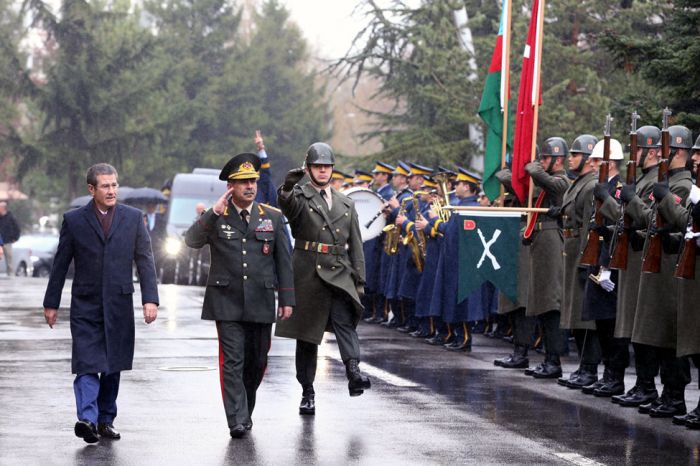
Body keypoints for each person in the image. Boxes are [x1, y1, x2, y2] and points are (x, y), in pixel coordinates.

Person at [42, 163, 159, 444]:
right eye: (105, 186)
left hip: (119, 303)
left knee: (112, 365)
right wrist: (51, 303)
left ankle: (106, 420)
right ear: (91, 189)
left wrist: (150, 299)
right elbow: (60, 264)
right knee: (86, 363)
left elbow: (145, 260)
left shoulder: (133, 218)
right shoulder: (74, 220)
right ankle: (87, 419)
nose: (111, 190)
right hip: (85, 304)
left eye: (114, 185)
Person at [185, 152, 294, 438]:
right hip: (227, 301)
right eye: (243, 182)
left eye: (253, 181)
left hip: (261, 301)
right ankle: (236, 418)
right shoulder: (217, 217)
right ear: (230, 186)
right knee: (232, 361)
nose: (250, 186)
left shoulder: (272, 217)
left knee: (257, 362)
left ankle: (245, 409)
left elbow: (284, 260)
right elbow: (191, 240)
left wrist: (287, 299)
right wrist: (213, 213)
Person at [276, 142, 369, 416]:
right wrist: (286, 187)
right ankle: (307, 392)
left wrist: (360, 279)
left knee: (345, 322)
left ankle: (354, 372)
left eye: (327, 167)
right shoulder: (300, 197)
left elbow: (356, 242)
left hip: (339, 271)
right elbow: (287, 206)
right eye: (317, 167)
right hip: (308, 272)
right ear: (309, 169)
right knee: (307, 336)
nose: (323, 171)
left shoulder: (346, 202)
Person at [556, 134, 603, 389]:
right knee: (575, 312)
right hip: (571, 249)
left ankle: (589, 369)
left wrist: (589, 259)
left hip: (581, 252)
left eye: (574, 154)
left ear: (586, 157)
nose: (570, 158)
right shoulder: (579, 183)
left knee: (586, 315)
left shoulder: (590, 185)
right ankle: (584, 367)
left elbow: (589, 227)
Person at [523, 137, 570, 379]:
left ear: (558, 160)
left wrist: (532, 166)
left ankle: (555, 360)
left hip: (553, 245)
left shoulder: (562, 182)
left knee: (552, 304)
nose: (541, 163)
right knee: (543, 305)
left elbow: (544, 178)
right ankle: (547, 358)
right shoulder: (545, 185)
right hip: (541, 245)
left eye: (545, 158)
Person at [0, 201, 21, 276]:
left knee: (9, 259)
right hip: (0, 241)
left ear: (3, 208)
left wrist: (15, 238)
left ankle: (10, 274)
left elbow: (17, 229)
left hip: (7, 241)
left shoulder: (10, 217)